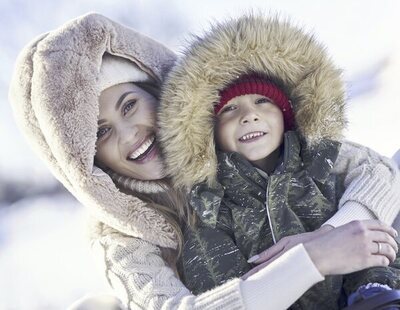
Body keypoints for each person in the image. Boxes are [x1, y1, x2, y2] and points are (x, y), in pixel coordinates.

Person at [8, 13, 400, 310]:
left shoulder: (230, 133)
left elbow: (376, 170)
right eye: (101, 132)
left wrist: (332, 232)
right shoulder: (119, 238)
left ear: (160, 94)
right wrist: (312, 258)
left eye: (130, 106)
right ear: (86, 161)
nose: (130, 134)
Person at [157, 14, 400, 309]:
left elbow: (369, 226)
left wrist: (373, 286)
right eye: (230, 108)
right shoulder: (211, 207)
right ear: (208, 132)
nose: (249, 115)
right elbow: (215, 277)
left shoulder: (319, 165)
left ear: (285, 114)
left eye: (263, 101)